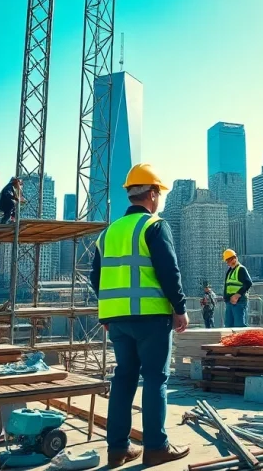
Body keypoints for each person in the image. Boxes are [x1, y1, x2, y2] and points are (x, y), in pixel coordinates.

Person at [90, 163, 190, 467]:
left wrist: (109, 314)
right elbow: (168, 271)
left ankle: (117, 449)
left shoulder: (107, 234)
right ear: (153, 193)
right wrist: (179, 307)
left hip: (117, 320)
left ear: (131, 194)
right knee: (155, 379)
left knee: (123, 379)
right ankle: (156, 447)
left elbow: (97, 279)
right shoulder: (154, 225)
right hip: (151, 318)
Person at [222, 249, 252, 327]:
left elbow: (248, 283)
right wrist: (226, 298)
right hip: (229, 302)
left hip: (239, 302)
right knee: (228, 325)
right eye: (227, 261)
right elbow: (227, 286)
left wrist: (237, 295)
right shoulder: (229, 271)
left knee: (239, 326)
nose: (228, 263)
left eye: (228, 261)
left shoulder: (241, 269)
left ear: (234, 258)